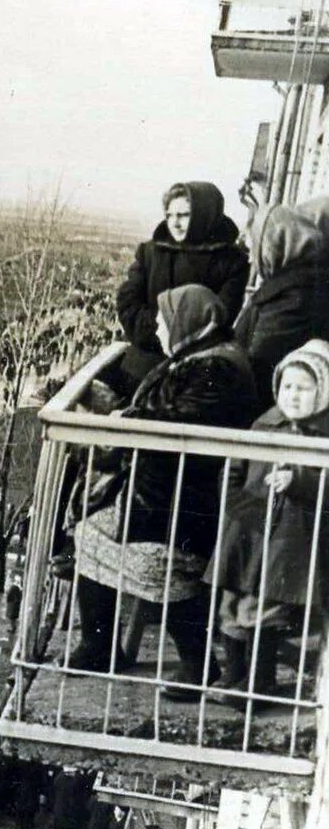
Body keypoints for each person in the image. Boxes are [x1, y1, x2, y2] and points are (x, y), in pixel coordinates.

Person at [70, 284, 259, 695]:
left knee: (162, 566)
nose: (156, 326)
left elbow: (178, 423)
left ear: (187, 321)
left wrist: (122, 417)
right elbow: (162, 412)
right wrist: (123, 411)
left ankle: (197, 666)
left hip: (188, 503)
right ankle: (99, 645)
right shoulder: (200, 359)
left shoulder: (218, 370)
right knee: (90, 535)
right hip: (165, 495)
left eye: (162, 318)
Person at [210, 340, 329, 702]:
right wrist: (234, 499)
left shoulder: (323, 436)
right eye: (287, 386)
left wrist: (299, 480)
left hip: (289, 538)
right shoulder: (265, 422)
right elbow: (236, 464)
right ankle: (233, 674)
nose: (293, 395)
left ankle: (259, 681)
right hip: (248, 526)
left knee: (264, 609)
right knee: (232, 603)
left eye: (305, 389)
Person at [113, 181, 249, 394]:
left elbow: (220, 315)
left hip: (194, 374)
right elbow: (127, 303)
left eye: (183, 215)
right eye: (169, 215)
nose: (174, 223)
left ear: (205, 214)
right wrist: (159, 332)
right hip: (143, 365)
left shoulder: (230, 261)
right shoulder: (150, 253)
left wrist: (174, 337)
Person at [233, 198, 329, 411]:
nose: (251, 259)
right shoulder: (295, 285)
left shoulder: (292, 295)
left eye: (253, 248)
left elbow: (260, 363)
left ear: (272, 247)